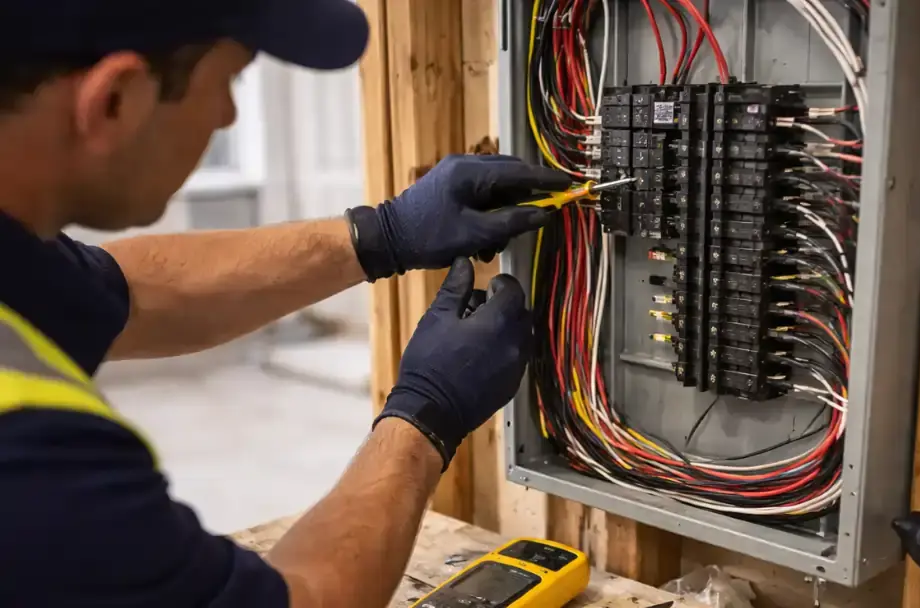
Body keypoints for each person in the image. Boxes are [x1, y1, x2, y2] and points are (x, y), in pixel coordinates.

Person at [0, 0, 571, 606]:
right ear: (115, 100)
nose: (227, 115)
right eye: (229, 81)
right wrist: (424, 416)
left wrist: (384, 235)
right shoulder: (33, 459)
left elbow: (125, 295)